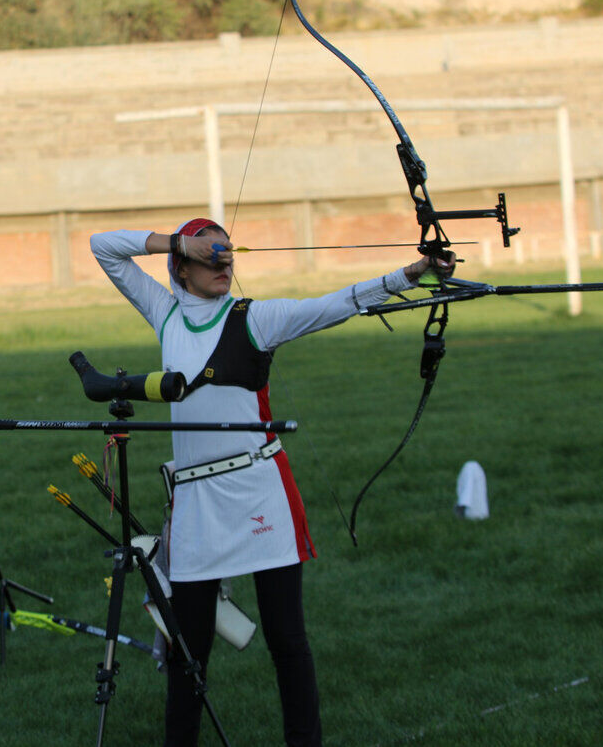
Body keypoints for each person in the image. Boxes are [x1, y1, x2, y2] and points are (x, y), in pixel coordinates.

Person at [90, 219, 453, 747]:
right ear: (181, 268)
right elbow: (104, 248)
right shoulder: (164, 312)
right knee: (188, 649)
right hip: (196, 503)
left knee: (287, 639)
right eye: (207, 257)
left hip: (259, 492)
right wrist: (174, 240)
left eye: (226, 256)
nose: (222, 265)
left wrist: (413, 273)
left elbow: (339, 303)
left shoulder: (256, 317)